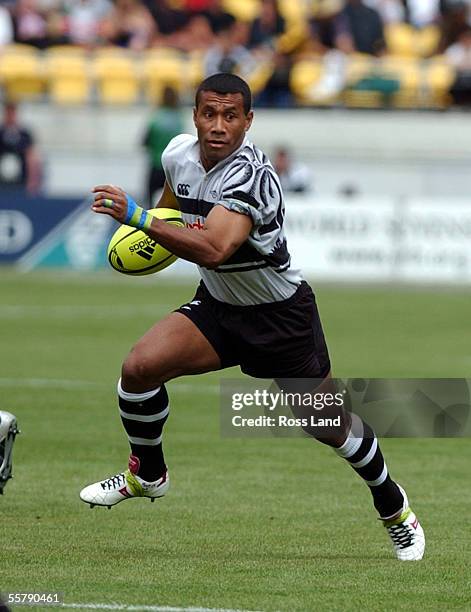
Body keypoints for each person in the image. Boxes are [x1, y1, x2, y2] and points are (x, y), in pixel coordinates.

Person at [80, 73, 425, 561]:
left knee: (328, 426)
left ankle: (394, 507)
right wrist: (147, 240)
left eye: (230, 116)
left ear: (248, 121)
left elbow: (217, 247)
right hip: (220, 307)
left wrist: (136, 218)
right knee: (138, 369)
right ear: (194, 116)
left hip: (280, 317)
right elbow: (172, 215)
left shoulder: (252, 176)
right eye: (208, 114)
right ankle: (147, 474)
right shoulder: (177, 155)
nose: (218, 125)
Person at [142, 86, 184, 207]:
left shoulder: (156, 117)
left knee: (151, 202)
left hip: (156, 164)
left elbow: (145, 140)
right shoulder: (178, 118)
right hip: (172, 168)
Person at [0, 103, 41, 195]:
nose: (10, 116)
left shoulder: (24, 134)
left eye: (12, 113)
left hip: (21, 181)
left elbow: (31, 157)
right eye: (8, 113)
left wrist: (33, 182)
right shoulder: (1, 133)